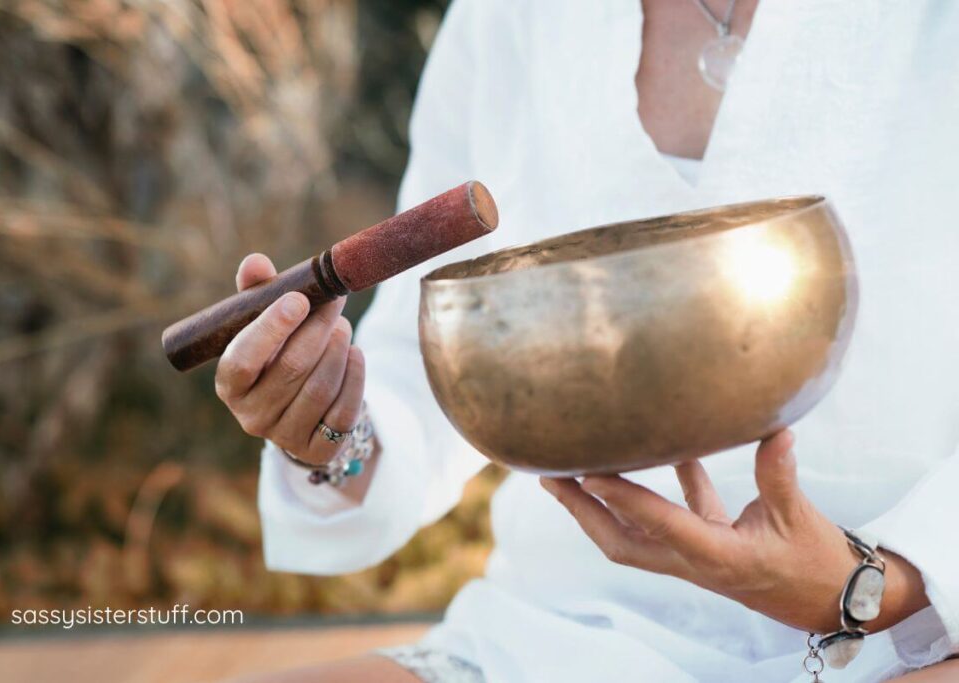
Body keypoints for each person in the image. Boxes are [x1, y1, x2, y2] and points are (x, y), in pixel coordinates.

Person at [214, 1, 959, 681]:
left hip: (908, 636)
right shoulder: (510, 18)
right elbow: (429, 374)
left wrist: (873, 582)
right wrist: (328, 427)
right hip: (559, 637)